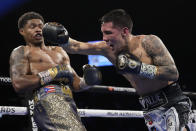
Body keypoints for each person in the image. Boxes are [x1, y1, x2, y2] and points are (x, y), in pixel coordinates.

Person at [42, 9, 194, 131]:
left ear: (125, 31)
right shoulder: (106, 49)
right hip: (150, 110)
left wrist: (139, 68)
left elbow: (173, 73)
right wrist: (63, 38)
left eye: (108, 32)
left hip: (173, 103)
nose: (104, 38)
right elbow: (76, 47)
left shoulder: (149, 41)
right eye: (103, 32)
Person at [9, 11, 101, 131]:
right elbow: (18, 84)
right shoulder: (22, 51)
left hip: (69, 102)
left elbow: (76, 84)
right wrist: (51, 73)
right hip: (48, 100)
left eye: (40, 26)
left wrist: (88, 81)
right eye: (32, 27)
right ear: (22, 31)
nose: (38, 29)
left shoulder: (59, 51)